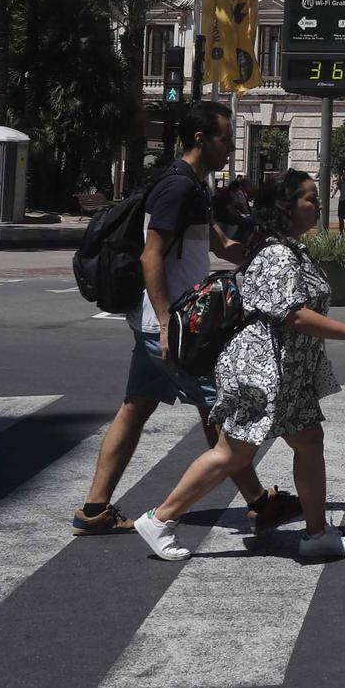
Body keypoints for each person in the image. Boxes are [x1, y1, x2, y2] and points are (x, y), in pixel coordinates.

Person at [70, 103, 302, 538]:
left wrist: (269, 251)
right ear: (201, 139)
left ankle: (94, 509)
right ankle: (256, 503)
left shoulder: (192, 187)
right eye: (226, 141)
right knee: (222, 408)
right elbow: (150, 255)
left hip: (170, 325)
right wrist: (167, 323)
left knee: (137, 407)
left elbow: (222, 246)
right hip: (176, 327)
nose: (231, 150)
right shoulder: (177, 188)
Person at [134, 170, 345, 561]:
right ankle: (160, 518)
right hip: (262, 372)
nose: (317, 205)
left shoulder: (290, 249)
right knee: (232, 453)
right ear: (287, 208)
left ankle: (317, 532)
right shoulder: (276, 254)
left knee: (308, 441)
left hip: (288, 373)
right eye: (309, 199)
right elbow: (294, 315)